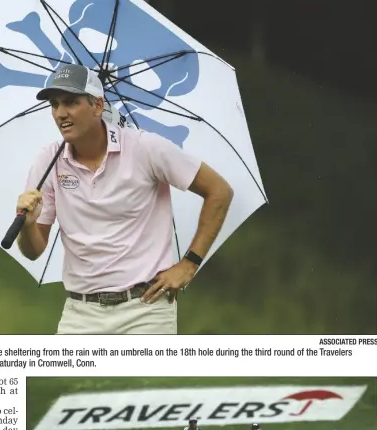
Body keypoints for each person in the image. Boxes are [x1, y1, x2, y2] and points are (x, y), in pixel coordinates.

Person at [16, 63, 234, 334]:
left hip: (146, 309)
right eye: (54, 105)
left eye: (71, 102)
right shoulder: (48, 160)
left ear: (97, 106)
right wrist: (27, 226)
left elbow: (219, 191)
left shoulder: (145, 147)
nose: (61, 113)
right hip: (80, 312)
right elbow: (33, 251)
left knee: (142, 380)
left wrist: (190, 264)